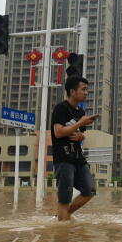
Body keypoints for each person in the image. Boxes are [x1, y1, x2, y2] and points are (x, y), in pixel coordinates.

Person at [51, 76, 99, 221]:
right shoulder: (61, 108)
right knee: (64, 198)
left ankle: (62, 216)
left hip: (78, 158)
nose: (86, 92)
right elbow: (58, 132)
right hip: (64, 158)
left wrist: (81, 136)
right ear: (72, 91)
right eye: (83, 89)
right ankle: (62, 233)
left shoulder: (81, 113)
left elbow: (82, 134)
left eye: (87, 89)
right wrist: (79, 124)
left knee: (89, 190)